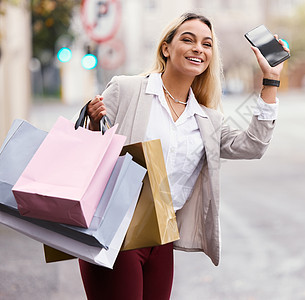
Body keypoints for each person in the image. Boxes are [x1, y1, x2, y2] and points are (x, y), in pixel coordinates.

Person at [80, 12, 289, 300]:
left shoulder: (207, 119)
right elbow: (86, 153)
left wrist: (271, 80)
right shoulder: (127, 90)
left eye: (207, 44)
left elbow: (253, 145)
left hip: (161, 237)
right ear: (166, 48)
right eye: (187, 40)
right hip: (114, 231)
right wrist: (93, 122)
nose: (198, 49)